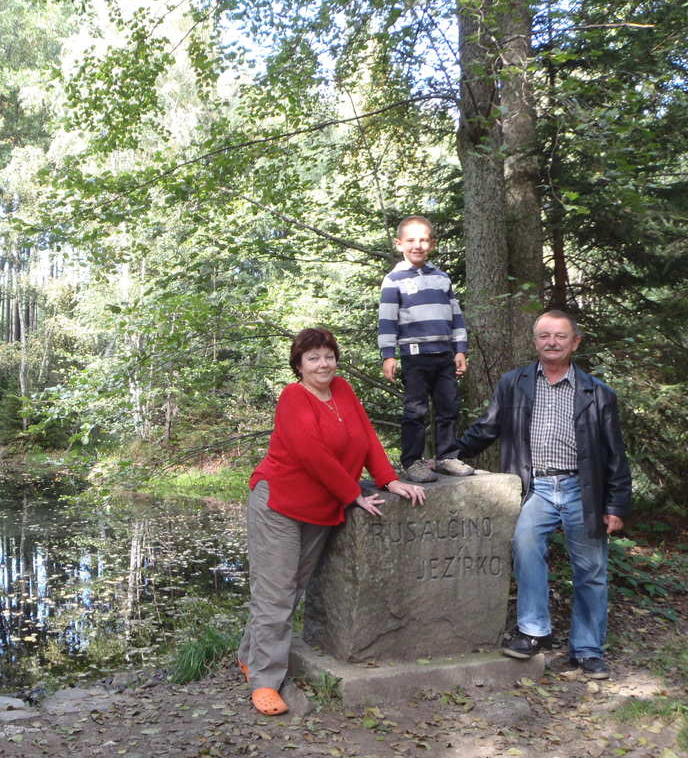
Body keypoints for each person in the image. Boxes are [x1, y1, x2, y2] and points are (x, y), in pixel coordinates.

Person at [238, 327, 427, 715]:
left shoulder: (342, 390)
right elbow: (311, 452)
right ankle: (265, 682)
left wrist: (389, 479)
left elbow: (367, 438)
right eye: (313, 358)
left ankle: (249, 654)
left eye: (328, 355)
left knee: (290, 591)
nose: (323, 364)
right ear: (299, 365)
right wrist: (353, 493)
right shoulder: (293, 397)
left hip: (321, 507)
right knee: (274, 594)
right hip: (279, 502)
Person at [457, 310, 631, 679]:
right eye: (545, 336)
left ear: (575, 342)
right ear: (535, 341)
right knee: (526, 549)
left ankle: (587, 651)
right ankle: (534, 631)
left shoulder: (598, 393)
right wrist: (450, 454)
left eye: (560, 336)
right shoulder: (514, 383)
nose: (552, 343)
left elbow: (615, 453)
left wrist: (615, 504)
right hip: (535, 486)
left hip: (582, 491)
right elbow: (487, 428)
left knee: (591, 571)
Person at [378, 216, 474, 483]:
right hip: (415, 355)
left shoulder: (442, 278)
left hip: (444, 354)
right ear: (399, 244)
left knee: (448, 407)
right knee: (415, 411)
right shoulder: (394, 280)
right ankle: (412, 461)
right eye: (411, 240)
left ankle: (446, 457)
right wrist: (388, 355)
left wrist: (460, 349)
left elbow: (456, 316)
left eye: (423, 240)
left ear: (432, 244)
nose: (417, 245)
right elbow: (387, 320)